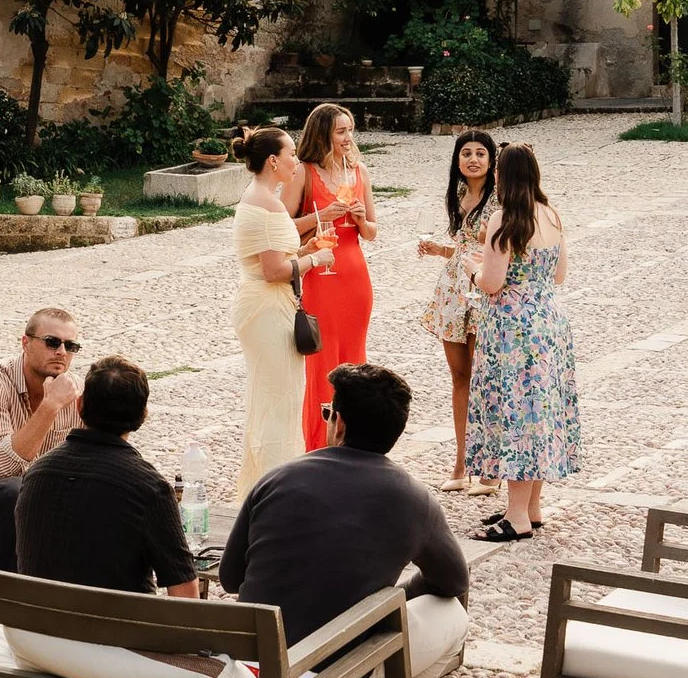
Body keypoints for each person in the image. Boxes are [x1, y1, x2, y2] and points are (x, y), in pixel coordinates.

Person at [219, 364, 468, 644]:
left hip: (252, 655)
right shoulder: (416, 499)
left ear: (340, 424)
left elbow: (230, 578)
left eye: (328, 413)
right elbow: (454, 582)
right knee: (451, 612)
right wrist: (396, 596)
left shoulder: (276, 479)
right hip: (341, 666)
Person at [465, 144, 583, 541]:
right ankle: (531, 507)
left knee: (516, 413)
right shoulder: (550, 214)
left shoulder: (504, 219)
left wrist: (473, 270)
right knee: (539, 410)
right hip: (549, 320)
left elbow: (493, 284)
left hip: (513, 328)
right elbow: (560, 274)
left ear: (502, 176)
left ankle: (516, 517)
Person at [15, 356, 197, 598]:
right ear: (142, 415)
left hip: (33, 631)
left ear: (79, 405)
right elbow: (185, 592)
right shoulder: (149, 488)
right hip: (112, 632)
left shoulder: (36, 474)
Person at [233, 127, 331, 502]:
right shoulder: (268, 202)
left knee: (272, 397)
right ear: (273, 161)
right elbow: (274, 270)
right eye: (291, 153)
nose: (297, 161)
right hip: (268, 307)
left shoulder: (258, 197)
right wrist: (314, 259)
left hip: (263, 304)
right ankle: (275, 492)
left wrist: (303, 248)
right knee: (279, 400)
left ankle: (263, 489)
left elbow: (272, 257)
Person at [0, 308, 84, 572]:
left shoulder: (75, 391)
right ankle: (16, 601)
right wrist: (50, 407)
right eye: (52, 342)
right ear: (26, 343)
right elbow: (2, 468)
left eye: (70, 346)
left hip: (41, 496)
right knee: (13, 490)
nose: (61, 352)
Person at [285, 104, 376, 452]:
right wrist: (320, 215)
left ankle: (354, 442)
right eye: (341, 131)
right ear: (323, 133)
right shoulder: (303, 173)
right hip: (320, 276)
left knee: (355, 360)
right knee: (322, 362)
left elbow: (371, 232)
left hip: (354, 276)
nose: (348, 138)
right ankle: (317, 446)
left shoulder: (359, 171)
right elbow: (283, 226)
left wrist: (359, 218)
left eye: (350, 130)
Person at [416, 131, 499, 496]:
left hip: (483, 291)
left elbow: (494, 253)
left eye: (481, 153)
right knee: (460, 377)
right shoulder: (459, 195)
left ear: (492, 160)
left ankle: (492, 464)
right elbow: (464, 250)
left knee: (487, 377)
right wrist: (440, 250)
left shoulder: (500, 199)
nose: (473, 160)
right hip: (453, 290)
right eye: (466, 153)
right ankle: (462, 460)